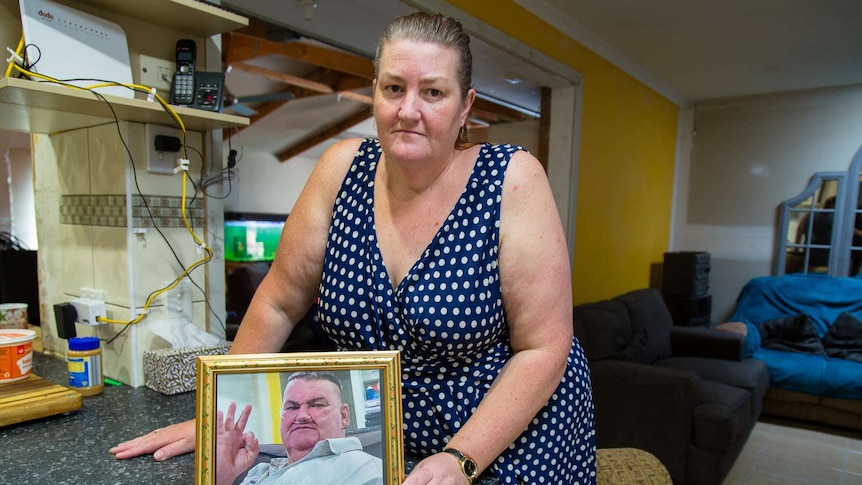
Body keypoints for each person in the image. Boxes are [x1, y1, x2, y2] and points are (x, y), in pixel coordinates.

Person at [111, 12, 596, 484]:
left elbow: (543, 347)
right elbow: (279, 301)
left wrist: (461, 460)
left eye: (432, 92)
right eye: (393, 88)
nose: (409, 109)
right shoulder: (340, 169)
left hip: (503, 435)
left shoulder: (511, 178)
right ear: (374, 93)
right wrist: (212, 418)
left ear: (465, 105)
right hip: (384, 439)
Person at [217, 371, 382, 485]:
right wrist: (222, 478)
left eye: (317, 405)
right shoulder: (258, 471)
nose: (302, 415)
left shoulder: (372, 471)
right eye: (291, 407)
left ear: (344, 416)